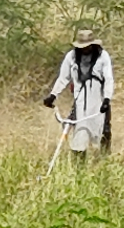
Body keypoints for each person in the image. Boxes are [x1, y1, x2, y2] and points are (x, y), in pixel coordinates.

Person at [44, 28, 114, 159]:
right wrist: (53, 95)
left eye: (88, 46)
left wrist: (106, 99)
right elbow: (63, 78)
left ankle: (104, 161)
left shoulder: (103, 56)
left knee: (103, 131)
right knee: (80, 131)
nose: (85, 49)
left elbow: (109, 79)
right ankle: (79, 167)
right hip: (80, 101)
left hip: (99, 101)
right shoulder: (71, 57)